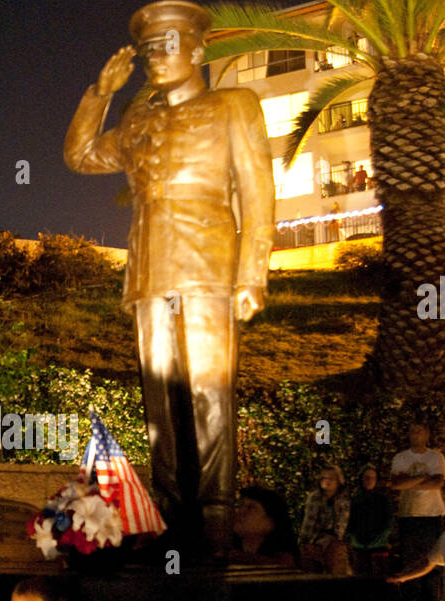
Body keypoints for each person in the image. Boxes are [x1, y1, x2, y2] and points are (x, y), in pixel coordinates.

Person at [64, 0, 276, 558]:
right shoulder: (138, 120)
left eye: (169, 45)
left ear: (198, 50)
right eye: (149, 49)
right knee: (160, 400)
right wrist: (101, 93)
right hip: (149, 271)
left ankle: (215, 516)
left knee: (209, 393)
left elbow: (258, 192)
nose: (156, 57)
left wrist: (252, 274)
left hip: (210, 267)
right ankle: (172, 513)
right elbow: (81, 155)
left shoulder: (233, 105)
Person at [389, 422, 445, 601]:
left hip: (432, 513)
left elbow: (437, 482)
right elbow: (397, 484)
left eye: (419, 431)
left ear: (427, 434)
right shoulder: (401, 458)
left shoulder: (436, 457)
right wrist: (424, 477)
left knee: (433, 557)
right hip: (409, 513)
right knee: (410, 557)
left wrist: (410, 481)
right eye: (412, 431)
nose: (415, 434)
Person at [298, 465, 351, 575]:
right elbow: (309, 522)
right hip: (316, 540)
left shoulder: (343, 499)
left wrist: (340, 539)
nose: (327, 481)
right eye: (324, 478)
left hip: (335, 541)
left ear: (338, 481)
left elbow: (343, 522)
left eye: (331, 478)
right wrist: (305, 540)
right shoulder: (315, 497)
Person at [231, 486, 298, 567]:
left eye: (251, 508)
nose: (240, 511)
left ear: (271, 523)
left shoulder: (283, 564)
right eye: (240, 506)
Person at [346, 465, 394, 577]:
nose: (369, 480)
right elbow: (349, 522)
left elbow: (388, 522)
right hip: (358, 547)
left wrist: (380, 538)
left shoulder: (383, 500)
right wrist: (352, 538)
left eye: (373, 478)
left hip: (379, 546)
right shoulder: (354, 500)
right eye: (367, 477)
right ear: (361, 478)